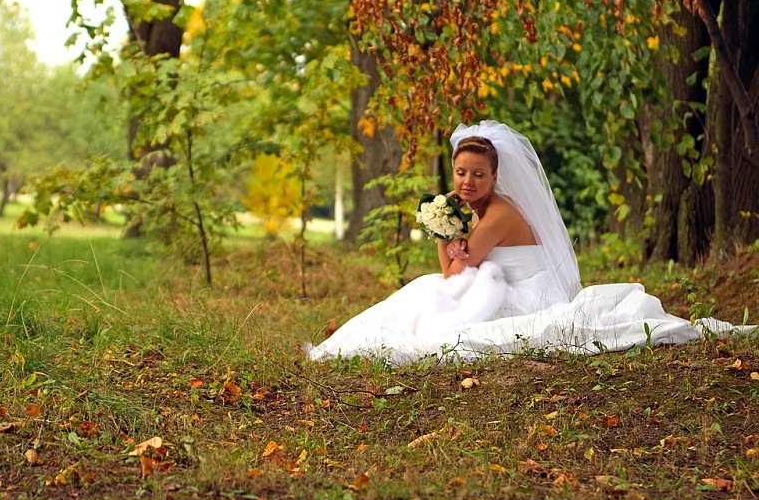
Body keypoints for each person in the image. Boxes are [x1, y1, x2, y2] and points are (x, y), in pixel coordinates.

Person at [307, 121, 751, 365]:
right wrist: (447, 227)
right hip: (497, 278)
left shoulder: (497, 213)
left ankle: (361, 346)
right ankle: (351, 346)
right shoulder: (472, 208)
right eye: (461, 173)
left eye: (478, 174)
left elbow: (452, 271)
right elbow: (457, 265)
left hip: (526, 290)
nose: (467, 181)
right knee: (427, 291)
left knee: (431, 290)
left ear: (495, 177)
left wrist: (443, 232)